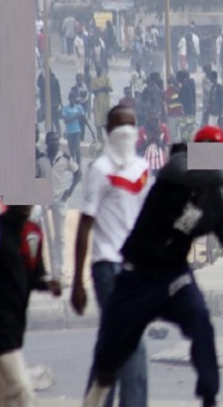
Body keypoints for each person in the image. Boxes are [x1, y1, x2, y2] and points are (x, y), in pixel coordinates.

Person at [81, 126, 223, 407]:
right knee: (111, 353)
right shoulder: (177, 167)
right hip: (137, 276)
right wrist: (222, 182)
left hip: (174, 277)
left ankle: (209, 398)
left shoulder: (215, 207)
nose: (219, 166)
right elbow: (184, 172)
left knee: (201, 324)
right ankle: (98, 391)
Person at [71, 106, 152, 407]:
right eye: (120, 127)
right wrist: (78, 281)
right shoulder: (100, 170)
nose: (125, 133)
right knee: (133, 345)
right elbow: (85, 225)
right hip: (106, 266)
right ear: (107, 133)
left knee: (113, 343)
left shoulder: (142, 170)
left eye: (131, 126)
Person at [0, 204, 61, 407]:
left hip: (16, 326)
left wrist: (48, 284)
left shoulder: (33, 232)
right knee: (21, 392)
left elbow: (34, 275)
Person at [40, 132, 80, 284]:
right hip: (43, 201)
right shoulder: (40, 157)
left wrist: (69, 191)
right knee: (43, 235)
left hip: (59, 200)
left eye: (57, 140)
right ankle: (46, 269)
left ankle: (60, 270)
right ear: (48, 142)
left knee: (60, 237)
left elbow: (78, 173)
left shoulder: (65, 157)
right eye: (53, 140)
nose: (56, 142)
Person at [62, 92, 86, 166]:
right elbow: (65, 120)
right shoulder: (65, 108)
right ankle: (73, 166)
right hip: (69, 132)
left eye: (73, 98)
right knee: (71, 151)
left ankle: (79, 165)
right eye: (71, 98)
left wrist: (91, 131)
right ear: (69, 99)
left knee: (77, 149)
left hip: (77, 131)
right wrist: (75, 116)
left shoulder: (79, 107)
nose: (72, 100)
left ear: (75, 99)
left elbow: (83, 118)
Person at [91, 65, 112, 144]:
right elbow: (93, 90)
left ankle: (110, 141)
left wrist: (101, 88)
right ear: (96, 70)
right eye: (97, 69)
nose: (98, 70)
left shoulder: (106, 78)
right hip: (97, 104)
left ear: (102, 69)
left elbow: (110, 88)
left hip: (106, 105)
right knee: (98, 123)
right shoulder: (94, 80)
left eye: (99, 69)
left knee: (106, 123)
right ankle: (100, 141)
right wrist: (102, 88)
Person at [165, 77, 183, 142]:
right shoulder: (169, 90)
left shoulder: (181, 90)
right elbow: (167, 100)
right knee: (172, 134)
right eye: (175, 83)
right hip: (172, 115)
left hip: (180, 114)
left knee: (182, 133)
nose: (177, 85)